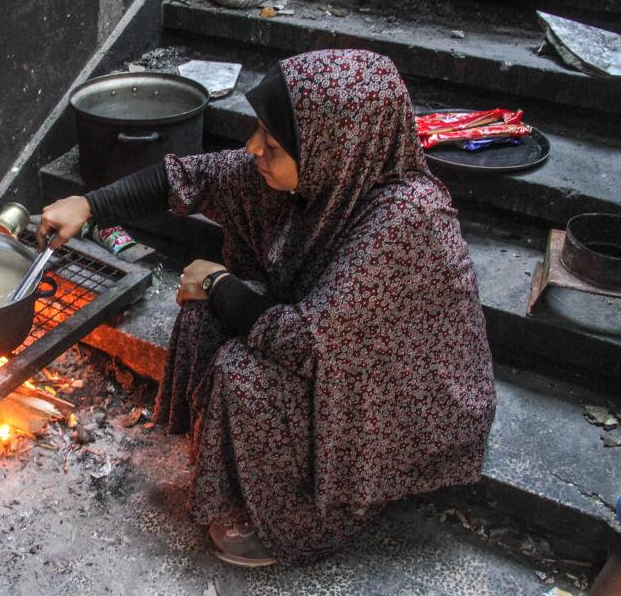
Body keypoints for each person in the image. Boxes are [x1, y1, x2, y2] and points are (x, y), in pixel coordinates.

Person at [38, 49, 497, 568]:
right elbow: (191, 177)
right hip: (323, 339)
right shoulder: (315, 173)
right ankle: (240, 478)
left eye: (270, 142)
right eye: (257, 129)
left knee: (242, 371)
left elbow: (304, 343)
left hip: (396, 399)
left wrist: (216, 280)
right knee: (202, 316)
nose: (253, 146)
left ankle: (311, 518)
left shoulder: (406, 218)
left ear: (332, 149)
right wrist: (89, 205)